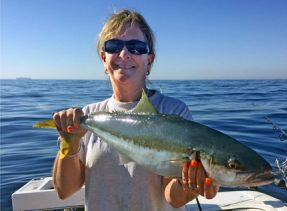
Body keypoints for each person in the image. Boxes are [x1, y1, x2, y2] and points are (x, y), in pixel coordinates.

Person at [52, 9, 219, 211]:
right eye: (114, 46)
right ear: (103, 58)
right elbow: (64, 190)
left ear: (149, 60)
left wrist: (192, 186)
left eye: (136, 47)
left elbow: (172, 198)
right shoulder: (89, 115)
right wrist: (71, 142)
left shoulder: (173, 112)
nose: (124, 54)